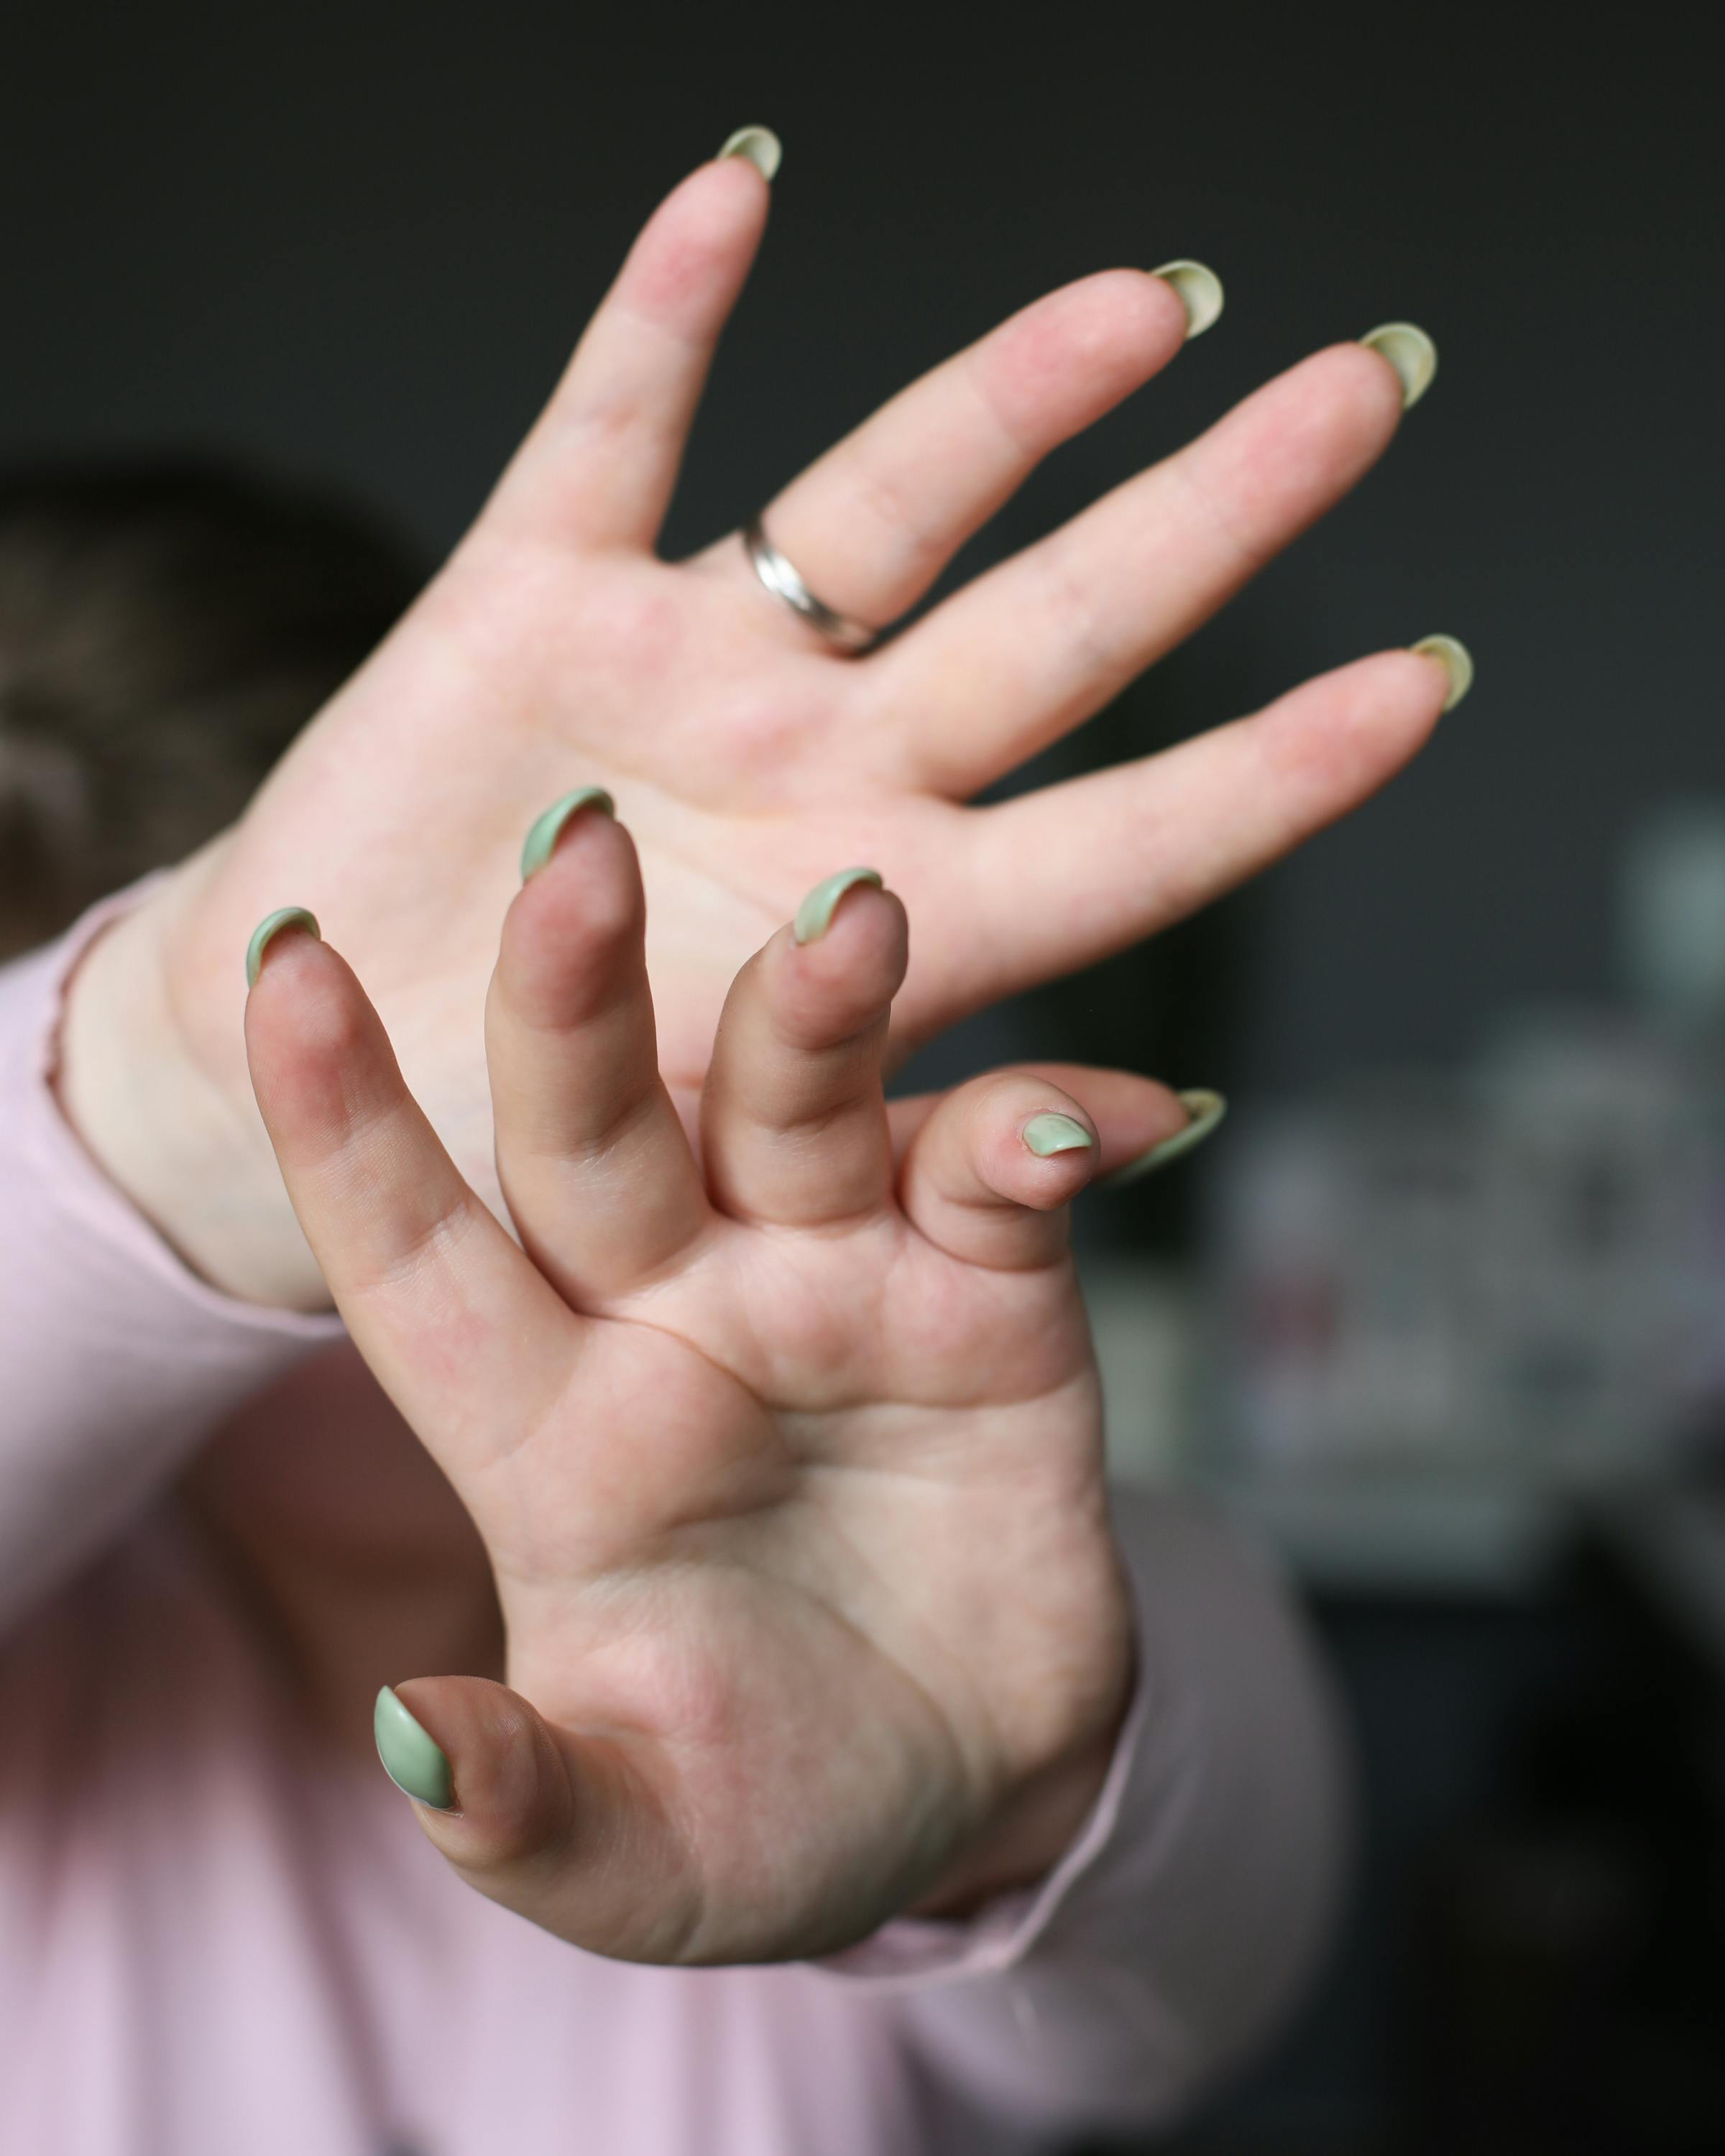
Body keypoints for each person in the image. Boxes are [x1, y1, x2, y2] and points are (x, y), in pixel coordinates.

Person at [0, 129, 1468, 2151]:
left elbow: (1201, 1952)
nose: (413, 1235)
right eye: (237, 1229)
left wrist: (1020, 1797)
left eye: (500, 1079)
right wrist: (161, 1094)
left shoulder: (849, 1496)